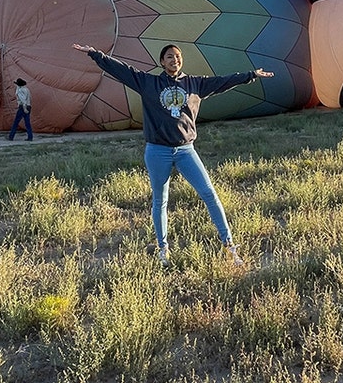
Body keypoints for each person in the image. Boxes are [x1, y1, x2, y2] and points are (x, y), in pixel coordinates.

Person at [73, 42, 274, 266]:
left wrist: (251, 75)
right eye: (169, 57)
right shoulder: (149, 83)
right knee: (160, 200)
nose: (174, 60)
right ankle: (163, 249)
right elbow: (122, 70)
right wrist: (94, 53)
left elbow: (222, 82)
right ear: (161, 62)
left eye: (177, 56)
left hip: (186, 150)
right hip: (158, 150)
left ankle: (229, 246)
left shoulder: (195, 84)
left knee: (209, 194)